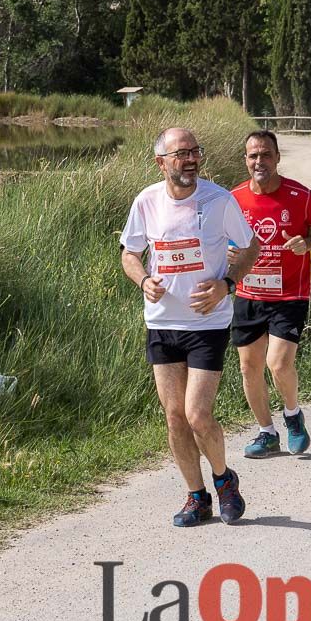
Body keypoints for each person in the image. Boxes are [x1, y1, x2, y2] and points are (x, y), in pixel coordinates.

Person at [120, 127, 260, 527]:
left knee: (197, 413)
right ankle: (196, 497)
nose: (191, 160)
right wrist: (143, 280)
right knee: (174, 417)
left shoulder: (219, 200)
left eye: (195, 152)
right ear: (160, 162)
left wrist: (227, 285)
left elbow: (250, 246)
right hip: (162, 321)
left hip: (207, 322)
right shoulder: (146, 201)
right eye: (181, 153)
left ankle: (224, 480)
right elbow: (130, 253)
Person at [228, 130, 311, 458]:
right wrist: (228, 256)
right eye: (253, 156)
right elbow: (220, 240)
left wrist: (308, 243)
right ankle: (266, 432)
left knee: (278, 363)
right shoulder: (233, 199)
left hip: (289, 294)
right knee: (249, 367)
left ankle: (292, 416)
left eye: (265, 155)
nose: (259, 161)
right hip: (248, 294)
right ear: (246, 160)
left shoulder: (300, 196)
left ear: (277, 158)